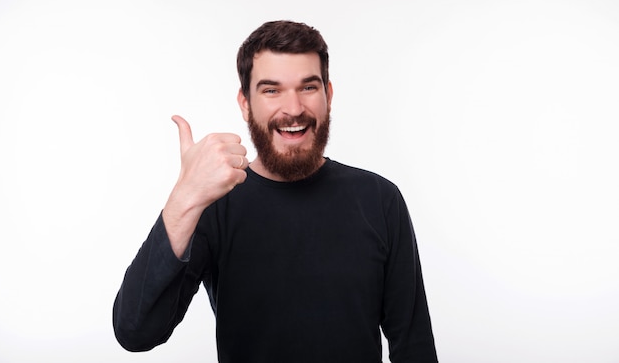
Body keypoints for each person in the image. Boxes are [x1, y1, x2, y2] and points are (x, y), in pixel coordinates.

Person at [113, 20, 438, 362]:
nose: (294, 108)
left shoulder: (379, 199)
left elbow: (414, 347)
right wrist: (185, 197)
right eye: (271, 90)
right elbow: (135, 332)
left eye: (308, 88)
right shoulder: (214, 205)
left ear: (328, 95)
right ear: (245, 103)